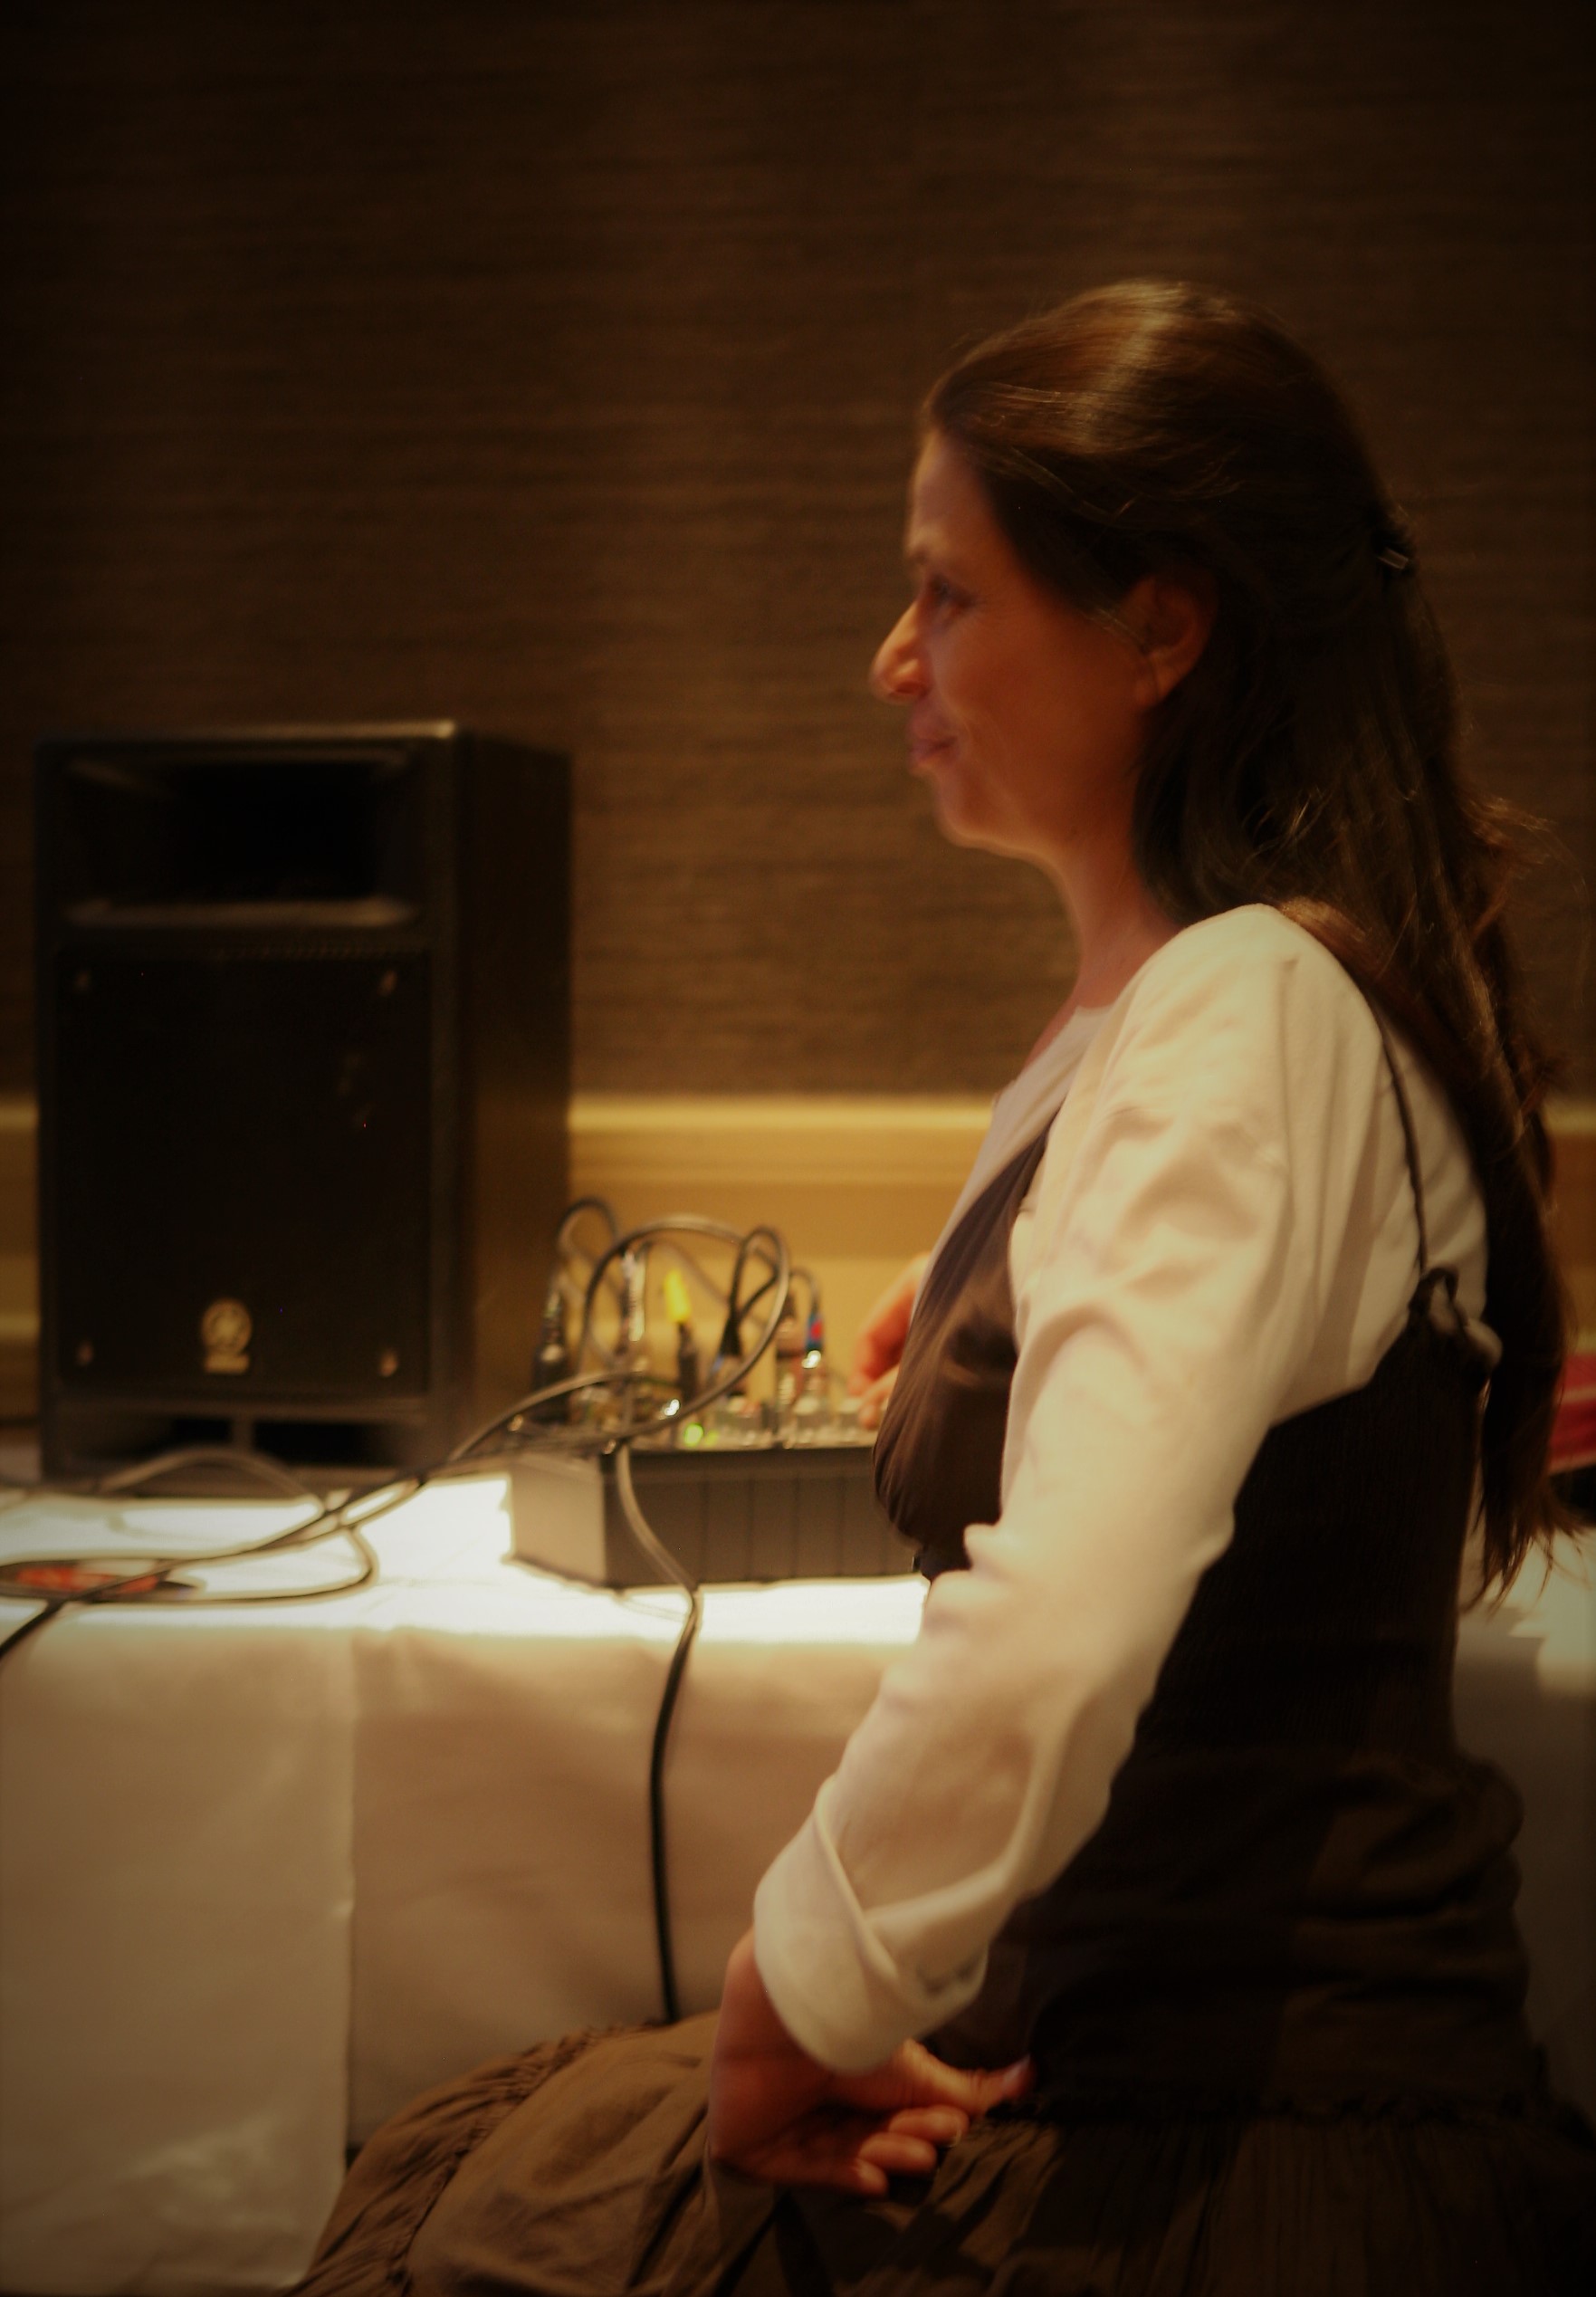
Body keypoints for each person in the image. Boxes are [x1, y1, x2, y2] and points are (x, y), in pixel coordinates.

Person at [298, 282, 1596, 2294]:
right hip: (1115, 2056)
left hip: (1232, 2133)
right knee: (458, 2169)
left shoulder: (1246, 1011)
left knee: (455, 2222)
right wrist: (994, 1291)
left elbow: (1058, 1625)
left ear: (1162, 630)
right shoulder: (1183, 1013)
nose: (891, 657)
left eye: (949, 594)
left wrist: (795, 1994)